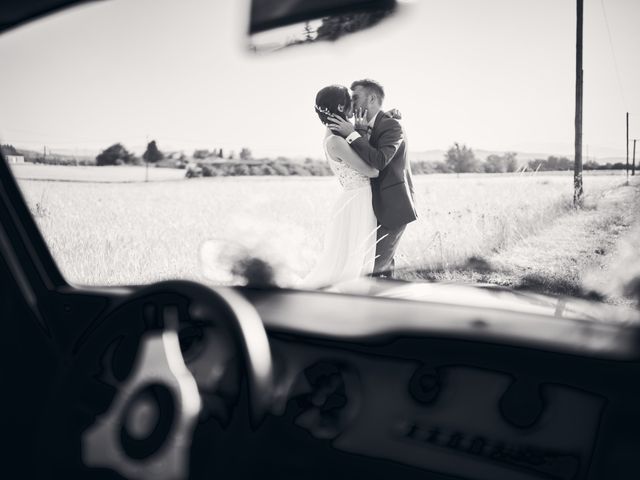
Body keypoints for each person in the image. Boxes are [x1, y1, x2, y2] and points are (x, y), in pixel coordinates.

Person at [327, 79, 417, 278]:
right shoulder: (364, 127)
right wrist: (357, 133)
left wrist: (352, 135)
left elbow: (379, 161)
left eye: (356, 98)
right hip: (371, 209)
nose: (352, 103)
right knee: (382, 268)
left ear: (372, 99)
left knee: (373, 270)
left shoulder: (392, 126)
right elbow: (363, 155)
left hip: (392, 207)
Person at [299, 85, 380, 289]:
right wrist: (357, 132)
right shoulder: (335, 140)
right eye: (351, 101)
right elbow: (372, 171)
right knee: (353, 261)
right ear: (342, 106)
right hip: (359, 201)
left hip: (358, 199)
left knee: (354, 258)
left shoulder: (337, 135)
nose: (355, 105)